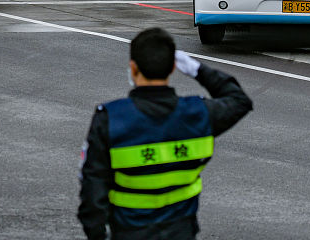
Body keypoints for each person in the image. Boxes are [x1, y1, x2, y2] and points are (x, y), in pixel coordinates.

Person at [78, 28, 253, 240]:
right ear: (172, 68)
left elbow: (92, 184)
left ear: (133, 68)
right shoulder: (198, 113)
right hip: (181, 231)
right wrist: (197, 70)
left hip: (129, 231)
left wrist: (95, 233)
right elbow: (240, 101)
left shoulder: (111, 118)